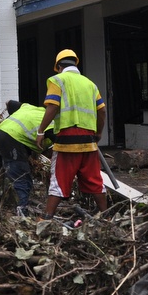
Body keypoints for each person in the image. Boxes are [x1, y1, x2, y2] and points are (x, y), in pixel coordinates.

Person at [35, 49, 108, 220]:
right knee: (95, 181)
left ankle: (47, 218)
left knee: (59, 181)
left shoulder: (57, 80)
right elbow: (102, 111)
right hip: (89, 142)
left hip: (67, 142)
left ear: (59, 66)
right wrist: (98, 133)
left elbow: (52, 107)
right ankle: (106, 217)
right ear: (75, 64)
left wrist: (40, 131)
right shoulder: (90, 84)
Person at [0, 100, 47, 216]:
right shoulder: (52, 124)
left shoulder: (31, 108)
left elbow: (9, 103)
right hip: (13, 142)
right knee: (21, 178)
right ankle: (22, 210)